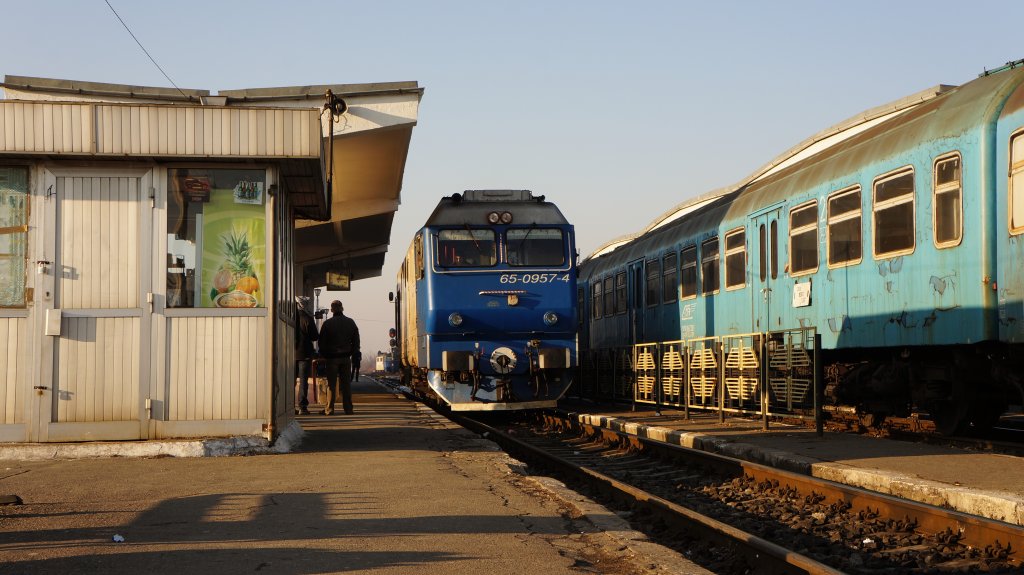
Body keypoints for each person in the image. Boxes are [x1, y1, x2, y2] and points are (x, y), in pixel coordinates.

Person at [317, 300, 360, 415]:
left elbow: (321, 342)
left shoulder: (327, 324)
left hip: (332, 358)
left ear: (332, 310)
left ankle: (329, 409)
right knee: (346, 385)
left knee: (331, 385)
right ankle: (348, 409)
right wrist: (352, 352)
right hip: (346, 358)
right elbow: (356, 341)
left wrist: (325, 355)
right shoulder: (350, 322)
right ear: (342, 308)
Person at [294, 296, 319, 415]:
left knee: (290, 381)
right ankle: (302, 407)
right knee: (303, 381)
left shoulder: (290, 317)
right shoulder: (307, 318)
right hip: (305, 354)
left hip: (290, 353)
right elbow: (314, 336)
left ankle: (289, 406)